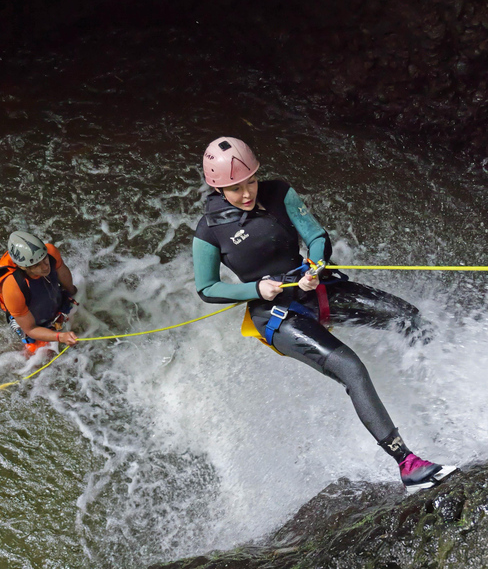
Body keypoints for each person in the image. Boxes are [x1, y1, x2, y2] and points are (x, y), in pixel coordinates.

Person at [193, 136, 459, 492]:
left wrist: (315, 266)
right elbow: (207, 288)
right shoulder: (209, 230)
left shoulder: (279, 194)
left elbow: (316, 236)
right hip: (277, 314)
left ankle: (447, 402)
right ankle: (408, 464)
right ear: (217, 187)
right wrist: (254, 290)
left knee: (408, 317)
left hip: (313, 286)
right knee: (351, 368)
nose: (246, 193)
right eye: (235, 188)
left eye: (251, 182)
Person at [0, 230, 78, 353]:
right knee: (40, 353)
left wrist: (72, 292)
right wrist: (60, 337)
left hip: (49, 298)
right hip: (28, 320)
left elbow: (63, 274)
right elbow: (30, 329)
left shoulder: (50, 252)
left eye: (44, 259)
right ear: (22, 266)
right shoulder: (13, 287)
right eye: (36, 265)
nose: (45, 267)